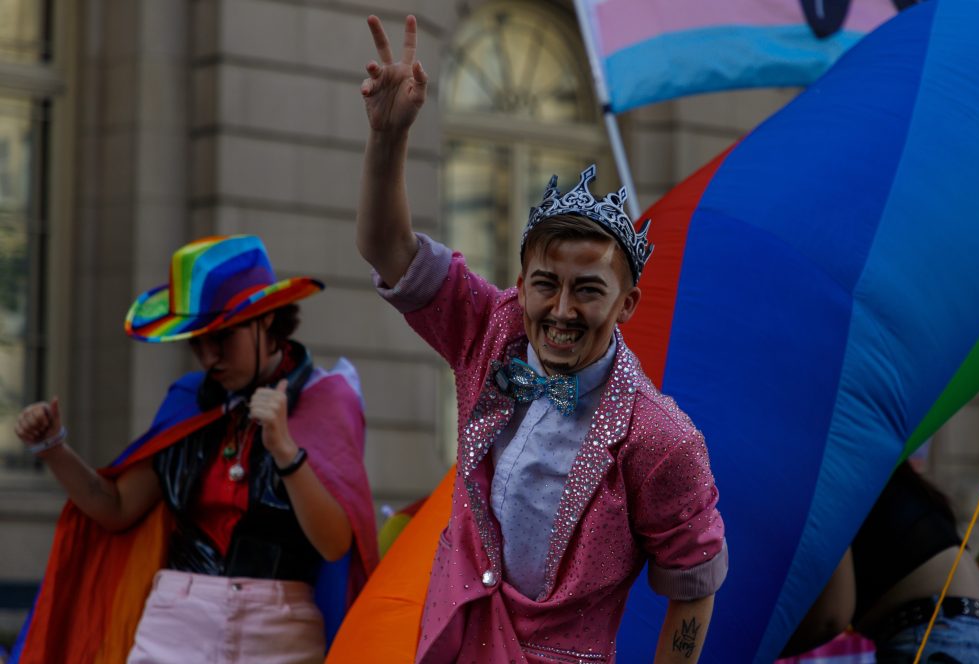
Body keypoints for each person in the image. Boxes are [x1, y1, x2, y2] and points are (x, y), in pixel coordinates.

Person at [356, 14, 727, 663]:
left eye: (587, 289)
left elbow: (694, 583)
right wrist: (389, 139)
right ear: (520, 283)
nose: (560, 310)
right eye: (544, 284)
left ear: (626, 302)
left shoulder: (662, 440)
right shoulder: (489, 329)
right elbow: (390, 252)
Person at [13, 235, 378, 664]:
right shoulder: (189, 401)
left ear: (265, 320)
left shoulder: (326, 401)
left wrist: (284, 450)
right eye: (196, 341)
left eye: (221, 338)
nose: (208, 357)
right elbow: (116, 507)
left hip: (280, 634)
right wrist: (53, 447)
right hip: (176, 619)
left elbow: (336, 545)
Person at [782, 462, 979, 663]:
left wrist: (759, 650)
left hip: (937, 637)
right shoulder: (872, 466)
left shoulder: (827, 473)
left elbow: (831, 617)